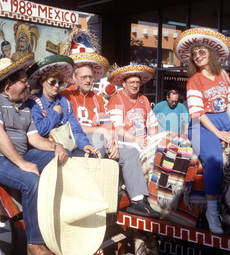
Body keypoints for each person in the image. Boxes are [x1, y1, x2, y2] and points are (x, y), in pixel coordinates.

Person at [0, 54, 69, 255]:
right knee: (31, 181)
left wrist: (56, 147)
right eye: (24, 81)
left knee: (64, 161)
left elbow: (34, 138)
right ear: (8, 83)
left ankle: (61, 220)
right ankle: (34, 242)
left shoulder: (25, 107)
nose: (28, 85)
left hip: (19, 154)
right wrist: (22, 163)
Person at [60, 61, 160, 218]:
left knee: (130, 152)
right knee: (99, 142)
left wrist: (114, 143)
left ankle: (138, 200)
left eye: (90, 77)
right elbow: (69, 127)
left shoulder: (98, 97)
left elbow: (110, 125)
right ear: (75, 77)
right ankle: (93, 197)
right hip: (77, 140)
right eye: (84, 77)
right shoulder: (66, 95)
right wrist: (99, 131)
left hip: (100, 138)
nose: (88, 80)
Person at [173, 28, 230, 234]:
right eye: (194, 53)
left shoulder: (223, 74)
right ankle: (211, 211)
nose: (198, 56)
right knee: (215, 160)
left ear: (210, 52)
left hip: (225, 120)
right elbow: (198, 113)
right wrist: (219, 134)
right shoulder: (194, 80)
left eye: (202, 51)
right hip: (202, 126)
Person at [25, 55, 97, 157]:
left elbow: (75, 128)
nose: (57, 86)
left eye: (60, 82)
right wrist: (55, 114)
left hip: (67, 145)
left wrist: (85, 144)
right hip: (45, 149)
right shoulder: (33, 103)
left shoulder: (64, 102)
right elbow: (39, 130)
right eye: (52, 82)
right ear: (42, 82)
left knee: (89, 158)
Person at [106, 65, 158, 150]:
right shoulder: (116, 100)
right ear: (124, 84)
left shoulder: (144, 99)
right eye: (132, 82)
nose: (135, 85)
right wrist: (137, 140)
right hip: (125, 145)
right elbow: (117, 129)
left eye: (138, 82)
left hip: (144, 143)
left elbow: (153, 124)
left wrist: (151, 140)